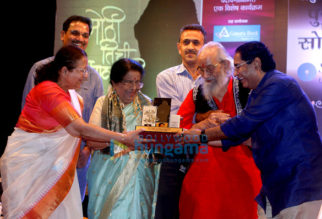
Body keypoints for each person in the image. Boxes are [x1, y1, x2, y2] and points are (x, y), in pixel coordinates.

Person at [182, 41, 322, 219]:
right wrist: (194, 137)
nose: (236, 72)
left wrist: (200, 135)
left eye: (238, 66)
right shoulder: (257, 91)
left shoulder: (278, 85)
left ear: (256, 64)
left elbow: (242, 125)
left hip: (298, 182)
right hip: (276, 183)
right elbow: (240, 137)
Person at [0, 46, 143, 218]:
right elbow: (78, 128)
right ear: (64, 71)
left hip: (59, 170)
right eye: (81, 71)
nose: (86, 76)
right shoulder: (47, 91)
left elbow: (80, 133)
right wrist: (125, 138)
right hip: (31, 169)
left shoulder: (76, 99)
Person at [21, 15, 104, 201]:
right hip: (42, 156)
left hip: (77, 159)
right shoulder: (40, 69)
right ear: (62, 34)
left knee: (71, 207)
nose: (80, 39)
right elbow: (25, 115)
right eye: (75, 33)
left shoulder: (94, 77)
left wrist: (87, 151)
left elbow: (95, 121)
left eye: (85, 35)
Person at [177, 41, 262, 219]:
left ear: (225, 65)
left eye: (209, 68)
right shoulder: (196, 94)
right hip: (204, 174)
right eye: (200, 70)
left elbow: (264, 128)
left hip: (243, 171)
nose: (205, 75)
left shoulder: (247, 88)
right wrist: (201, 124)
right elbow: (178, 129)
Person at [86, 58, 160, 219]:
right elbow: (92, 140)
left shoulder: (148, 105)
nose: (134, 88)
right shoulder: (103, 104)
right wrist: (126, 141)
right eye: (128, 82)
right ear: (114, 82)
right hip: (106, 173)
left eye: (138, 82)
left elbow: (155, 142)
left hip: (139, 177)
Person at [154, 24, 206, 219]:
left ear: (204, 46)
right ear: (179, 47)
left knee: (199, 208)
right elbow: (171, 119)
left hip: (206, 152)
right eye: (186, 42)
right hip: (175, 152)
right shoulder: (165, 77)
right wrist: (203, 118)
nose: (191, 47)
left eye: (196, 42)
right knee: (169, 209)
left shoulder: (214, 78)